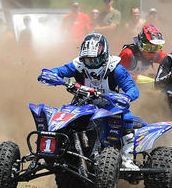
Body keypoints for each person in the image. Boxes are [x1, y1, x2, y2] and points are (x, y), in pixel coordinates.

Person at [38, 32, 141, 168]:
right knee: (64, 117)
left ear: (104, 56)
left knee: (126, 116)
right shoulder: (78, 65)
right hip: (83, 105)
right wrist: (50, 75)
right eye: (87, 60)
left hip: (109, 106)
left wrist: (125, 97)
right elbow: (59, 71)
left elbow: (133, 90)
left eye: (95, 60)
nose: (91, 63)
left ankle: (127, 158)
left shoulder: (116, 69)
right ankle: (58, 151)